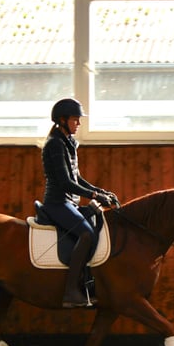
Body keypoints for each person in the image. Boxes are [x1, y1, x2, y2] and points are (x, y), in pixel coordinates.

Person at [41, 97, 117, 308]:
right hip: (57, 203)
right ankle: (70, 291)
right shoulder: (55, 145)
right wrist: (94, 197)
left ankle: (88, 282)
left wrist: (100, 191)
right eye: (76, 119)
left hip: (70, 203)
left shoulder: (68, 143)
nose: (79, 123)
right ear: (62, 120)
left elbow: (77, 178)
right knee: (86, 234)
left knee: (97, 222)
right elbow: (65, 183)